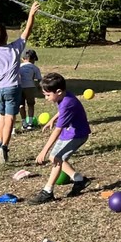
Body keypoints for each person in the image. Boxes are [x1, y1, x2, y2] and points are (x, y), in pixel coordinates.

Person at [0, 0, 41, 163]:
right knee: (10, 117)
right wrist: (31, 13)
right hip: (12, 88)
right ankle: (4, 146)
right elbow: (27, 31)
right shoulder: (15, 48)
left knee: (1, 116)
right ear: (6, 35)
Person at [28, 72, 91, 203]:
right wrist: (53, 119)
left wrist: (43, 151)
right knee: (54, 157)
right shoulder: (63, 97)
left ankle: (47, 191)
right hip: (69, 133)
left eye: (47, 95)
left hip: (77, 135)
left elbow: (57, 130)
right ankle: (79, 179)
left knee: (57, 158)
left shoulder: (68, 102)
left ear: (59, 91)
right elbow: (62, 111)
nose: (45, 98)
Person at [19, 48, 43, 130]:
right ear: (34, 59)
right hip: (30, 87)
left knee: (21, 105)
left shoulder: (18, 67)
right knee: (30, 104)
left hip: (19, 87)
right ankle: (30, 123)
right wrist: (40, 89)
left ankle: (23, 123)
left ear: (22, 58)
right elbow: (39, 79)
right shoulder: (34, 68)